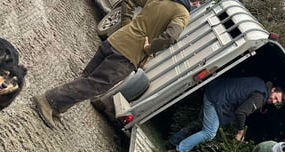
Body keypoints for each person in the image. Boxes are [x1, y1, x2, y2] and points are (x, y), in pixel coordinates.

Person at [33, 0, 199, 129]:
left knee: (88, 77)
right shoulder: (182, 13)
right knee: (93, 85)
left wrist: (127, 26)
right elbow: (170, 37)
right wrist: (148, 49)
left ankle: (60, 106)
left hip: (115, 40)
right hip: (128, 55)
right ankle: (48, 100)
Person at [165, 76, 285, 152]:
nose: (274, 101)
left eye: (277, 102)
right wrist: (240, 131)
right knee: (209, 132)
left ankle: (172, 142)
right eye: (275, 97)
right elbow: (241, 112)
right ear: (273, 89)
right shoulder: (260, 97)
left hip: (215, 91)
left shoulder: (259, 83)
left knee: (199, 123)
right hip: (217, 100)